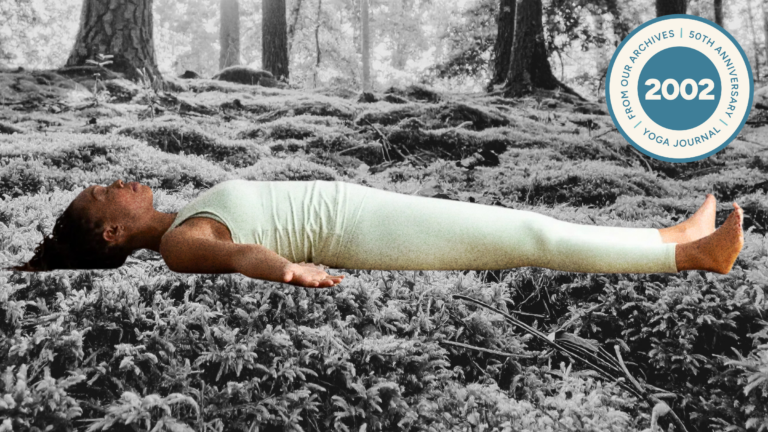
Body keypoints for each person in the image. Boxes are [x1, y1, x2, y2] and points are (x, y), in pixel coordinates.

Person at [5, 178, 744, 288]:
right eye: (109, 193)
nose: (124, 182)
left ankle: (662, 234)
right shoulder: (176, 244)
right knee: (530, 238)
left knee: (527, 223)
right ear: (112, 235)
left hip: (366, 206)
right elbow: (236, 254)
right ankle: (689, 256)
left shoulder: (184, 207)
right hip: (368, 234)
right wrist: (290, 272)